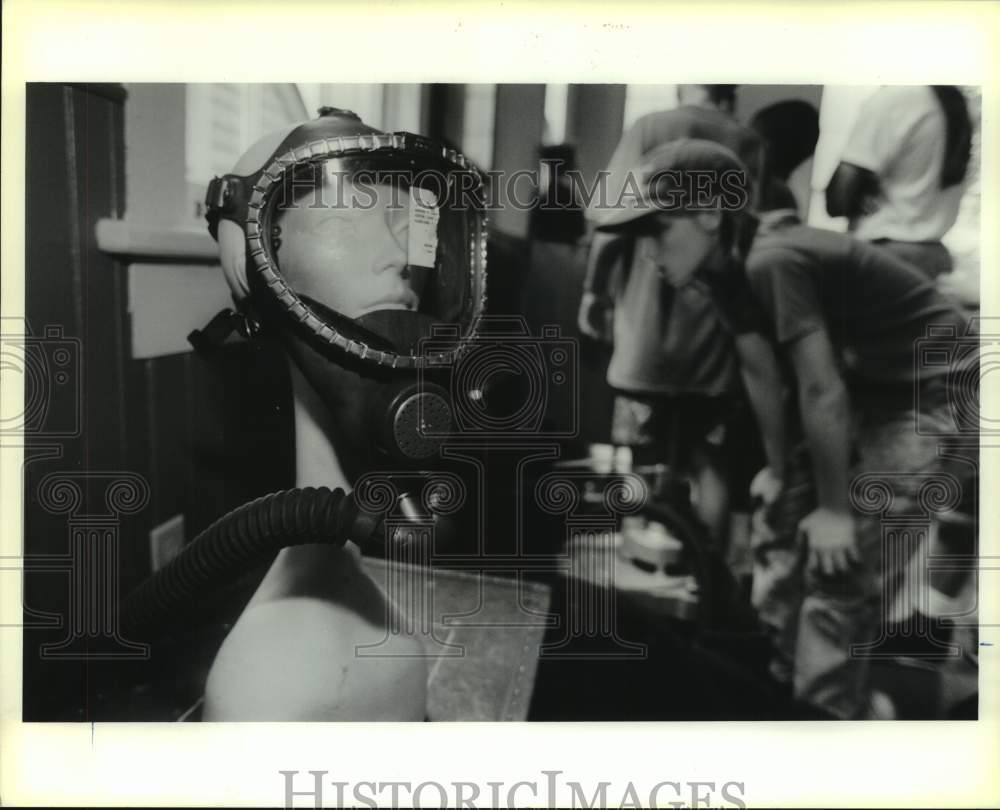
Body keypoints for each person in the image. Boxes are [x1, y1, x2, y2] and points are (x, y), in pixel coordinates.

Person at [603, 137, 971, 718]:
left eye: (657, 232)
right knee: (779, 527)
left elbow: (820, 388)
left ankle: (822, 723)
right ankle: (778, 694)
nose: (648, 254)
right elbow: (761, 375)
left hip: (934, 385)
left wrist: (835, 511)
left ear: (707, 213)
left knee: (842, 568)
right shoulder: (721, 270)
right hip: (869, 385)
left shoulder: (771, 260)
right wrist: (778, 474)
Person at [195, 108, 489, 720]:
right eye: (339, 213)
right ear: (257, 270)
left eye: (407, 224)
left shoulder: (345, 648)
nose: (399, 258)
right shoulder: (265, 690)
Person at [578, 84, 767, 546]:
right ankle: (703, 576)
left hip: (647, 326)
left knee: (640, 452)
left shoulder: (649, 127)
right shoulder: (749, 142)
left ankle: (640, 564)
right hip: (715, 331)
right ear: (728, 96)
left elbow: (610, 222)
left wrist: (594, 294)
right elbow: (742, 227)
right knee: (710, 460)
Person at [825, 85, 973, 280]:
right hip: (932, 255)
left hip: (885, 258)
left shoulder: (899, 96)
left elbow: (838, 198)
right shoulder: (952, 100)